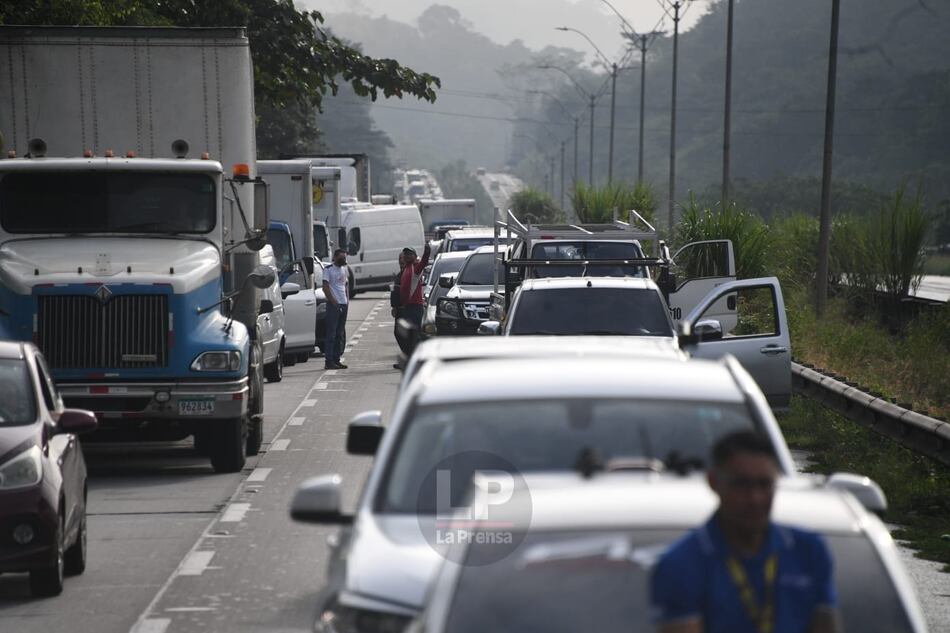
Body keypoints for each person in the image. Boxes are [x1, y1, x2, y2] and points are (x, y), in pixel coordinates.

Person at [651, 431, 838, 633]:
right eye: (741, 484)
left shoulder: (809, 550)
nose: (755, 498)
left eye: (764, 484)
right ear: (713, 482)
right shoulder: (681, 564)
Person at [322, 248, 349, 370]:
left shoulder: (344, 269)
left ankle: (337, 359)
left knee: (340, 333)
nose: (344, 259)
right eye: (341, 257)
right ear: (335, 257)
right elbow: (325, 288)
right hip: (334, 305)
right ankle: (329, 360)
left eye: (345, 257)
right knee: (331, 334)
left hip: (344, 304)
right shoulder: (328, 270)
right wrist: (334, 302)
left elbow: (345, 285)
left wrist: (347, 301)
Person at [398, 243, 431, 333]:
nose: (407, 256)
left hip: (415, 307)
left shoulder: (415, 268)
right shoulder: (406, 268)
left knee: (415, 333)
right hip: (407, 307)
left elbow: (423, 262)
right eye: (406, 254)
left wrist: (427, 252)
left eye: (410, 254)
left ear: (415, 256)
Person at [391, 252, 412, 367]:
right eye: (399, 258)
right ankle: (407, 357)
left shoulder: (409, 272)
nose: (401, 260)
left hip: (406, 308)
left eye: (403, 258)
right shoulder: (400, 274)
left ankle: (408, 358)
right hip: (399, 307)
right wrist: (394, 306)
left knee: (404, 334)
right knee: (398, 333)